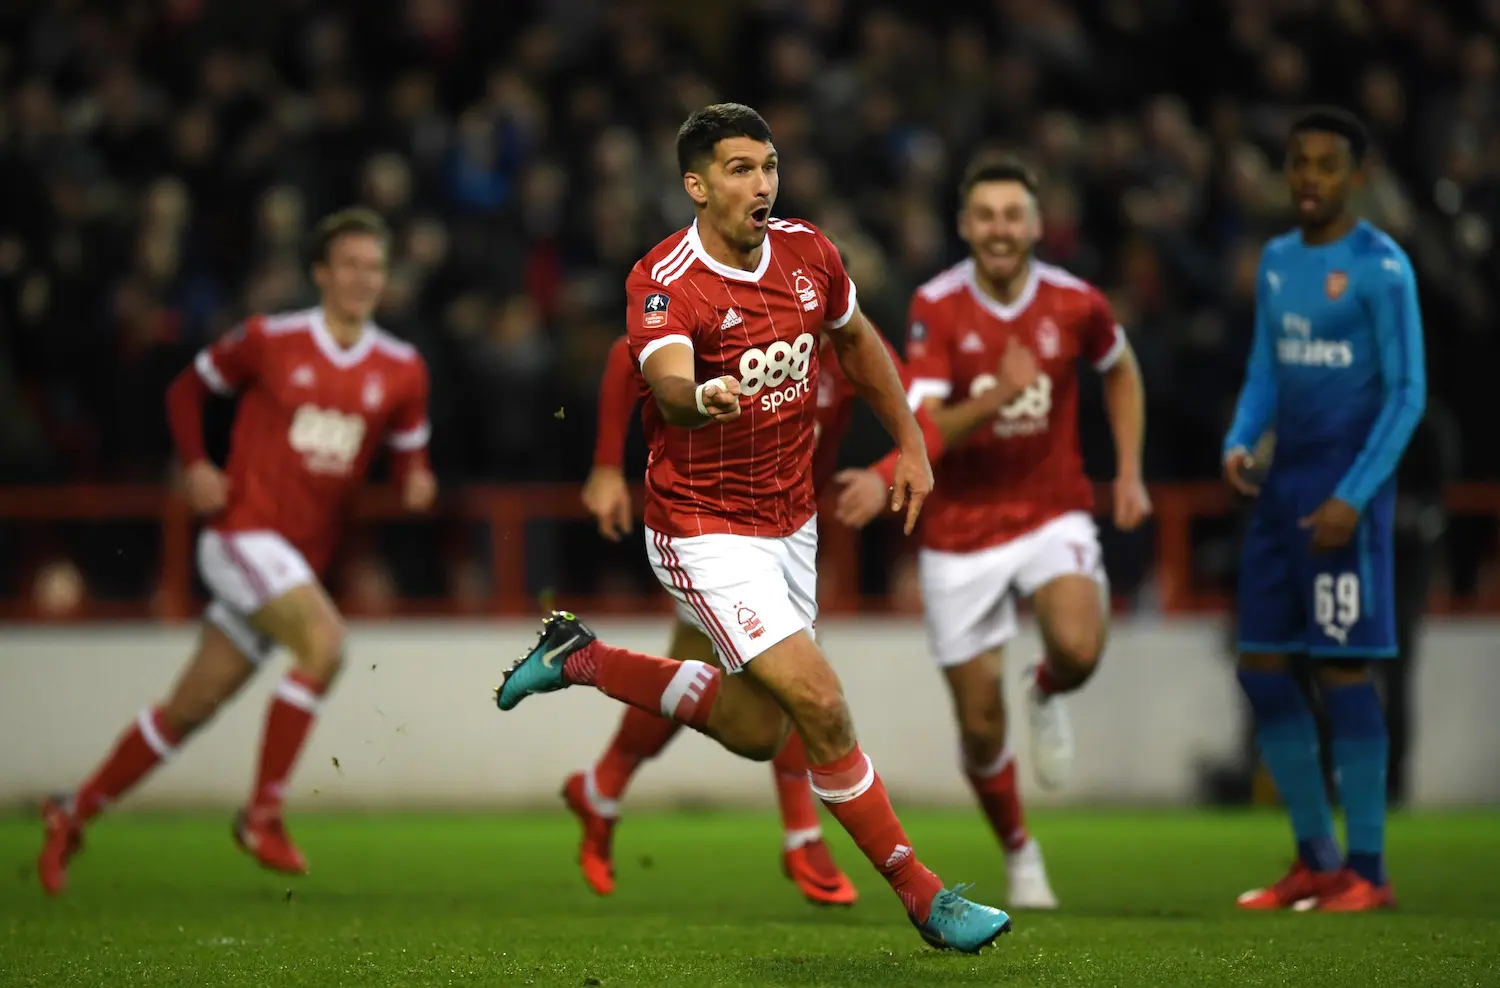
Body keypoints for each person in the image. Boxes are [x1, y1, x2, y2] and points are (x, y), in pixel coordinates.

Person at [496, 103, 1011, 954]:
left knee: (756, 728)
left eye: (768, 166)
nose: (762, 183)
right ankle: (924, 897)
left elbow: (858, 342)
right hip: (701, 527)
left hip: (789, 522)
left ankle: (579, 658)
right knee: (821, 703)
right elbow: (658, 380)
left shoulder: (811, 254)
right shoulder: (664, 280)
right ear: (697, 186)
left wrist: (911, 442)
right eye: (740, 169)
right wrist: (698, 397)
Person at [37, 208, 436, 894]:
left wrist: (417, 484)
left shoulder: (401, 368)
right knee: (326, 644)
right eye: (349, 264)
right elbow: (186, 389)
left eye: (373, 266)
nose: (363, 278)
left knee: (189, 707)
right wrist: (195, 464)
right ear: (320, 272)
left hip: (297, 559)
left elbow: (410, 462)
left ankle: (72, 813)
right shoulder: (270, 339)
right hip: (242, 534)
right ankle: (264, 815)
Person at [834, 154, 1151, 910]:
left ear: (1038, 225)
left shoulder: (1077, 303)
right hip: (961, 529)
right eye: (986, 216)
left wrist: (1130, 469)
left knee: (1078, 645)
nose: (1000, 230)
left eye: (1014, 216)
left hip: (1052, 507)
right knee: (980, 728)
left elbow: (1121, 369)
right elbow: (927, 427)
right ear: (964, 225)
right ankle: (1020, 851)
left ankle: (1046, 688)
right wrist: (995, 398)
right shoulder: (936, 306)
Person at [572, 326, 943, 905]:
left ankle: (599, 784)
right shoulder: (731, 313)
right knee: (792, 680)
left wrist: (881, 472)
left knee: (718, 690)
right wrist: (601, 466)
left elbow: (924, 419)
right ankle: (803, 836)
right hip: (707, 529)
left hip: (784, 531)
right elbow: (628, 355)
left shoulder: (843, 336)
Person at [1223, 107, 1424, 913]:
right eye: (1299, 162)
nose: (1309, 178)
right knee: (1263, 666)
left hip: (1349, 501)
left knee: (1344, 672)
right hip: (1281, 496)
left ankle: (1368, 871)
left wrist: (1355, 493)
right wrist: (1241, 439)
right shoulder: (1275, 261)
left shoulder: (1383, 267)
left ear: (1357, 176)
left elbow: (1408, 394)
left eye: (1326, 165)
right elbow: (1266, 370)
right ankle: (1315, 858)